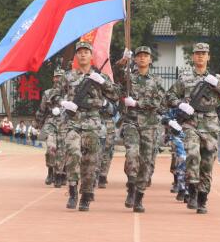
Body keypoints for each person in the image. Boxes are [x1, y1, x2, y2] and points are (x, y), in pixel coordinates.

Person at [166, 42, 220, 214]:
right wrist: (181, 105)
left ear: (208, 57)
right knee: (192, 154)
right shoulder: (184, 78)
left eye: (203, 53)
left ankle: (202, 197)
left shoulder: (217, 78)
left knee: (207, 163)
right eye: (197, 53)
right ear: (193, 56)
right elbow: (169, 96)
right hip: (190, 123)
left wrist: (217, 85)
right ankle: (191, 190)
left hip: (211, 125)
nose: (200, 56)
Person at [54, 41, 118, 211]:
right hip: (73, 122)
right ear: (76, 56)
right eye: (80, 52)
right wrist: (64, 103)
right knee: (73, 154)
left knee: (90, 162)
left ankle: (86, 195)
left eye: (86, 52)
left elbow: (116, 95)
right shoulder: (68, 76)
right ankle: (73, 191)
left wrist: (103, 83)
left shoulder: (100, 77)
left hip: (93, 123)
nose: (83, 54)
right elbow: (54, 95)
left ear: (91, 56)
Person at [114, 45, 165, 213]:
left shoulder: (156, 80)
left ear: (150, 59)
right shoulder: (128, 77)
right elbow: (116, 76)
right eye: (139, 56)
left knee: (147, 162)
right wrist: (122, 62)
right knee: (131, 154)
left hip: (150, 125)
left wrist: (137, 103)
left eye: (146, 55)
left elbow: (159, 102)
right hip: (131, 123)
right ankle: (131, 186)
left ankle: (139, 195)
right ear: (135, 59)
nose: (142, 58)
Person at [35, 70, 65, 185]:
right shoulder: (48, 93)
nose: (58, 79)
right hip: (51, 123)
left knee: (64, 151)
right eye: (56, 77)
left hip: (66, 124)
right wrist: (38, 124)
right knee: (51, 148)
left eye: (61, 77)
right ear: (53, 79)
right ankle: (51, 171)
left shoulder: (69, 93)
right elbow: (42, 110)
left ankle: (61, 174)